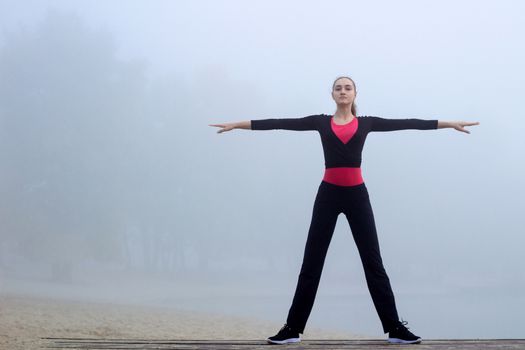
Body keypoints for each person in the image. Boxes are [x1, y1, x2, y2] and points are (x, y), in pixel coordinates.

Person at [209, 76, 479, 345]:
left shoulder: (367, 123)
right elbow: (280, 123)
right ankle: (292, 329)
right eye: (338, 88)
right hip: (328, 195)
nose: (343, 91)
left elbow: (408, 124)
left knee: (373, 263)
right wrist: (238, 125)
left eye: (347, 88)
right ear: (332, 94)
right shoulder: (319, 122)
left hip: (357, 197)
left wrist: (448, 124)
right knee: (311, 263)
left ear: (355, 94)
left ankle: (395, 328)